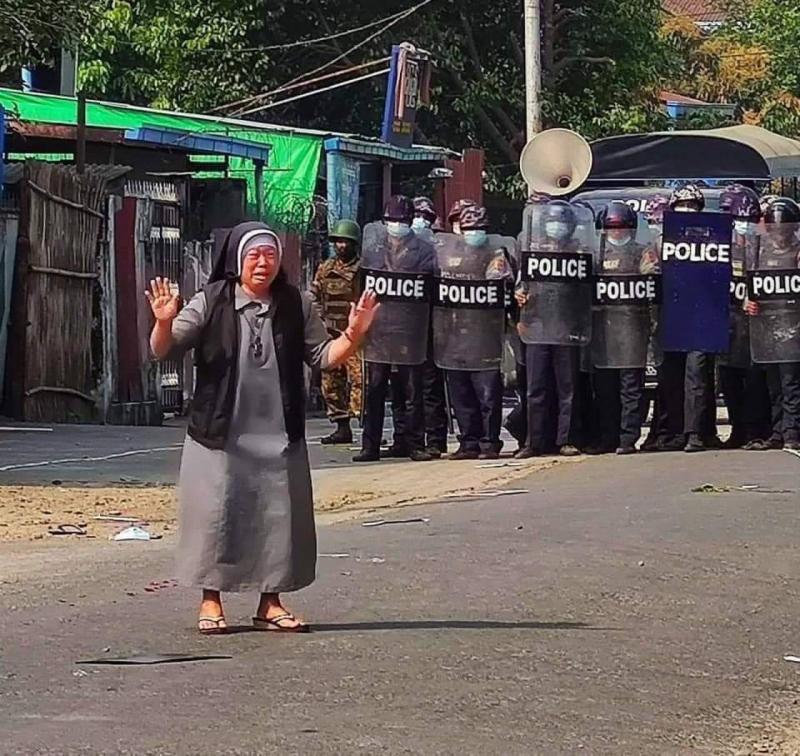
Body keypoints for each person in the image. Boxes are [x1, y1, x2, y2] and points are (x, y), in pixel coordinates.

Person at [146, 222, 378, 634]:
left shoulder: (295, 303)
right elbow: (164, 350)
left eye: (270, 254)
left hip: (278, 432)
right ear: (237, 260)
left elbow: (324, 357)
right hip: (220, 432)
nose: (263, 262)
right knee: (216, 517)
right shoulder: (212, 300)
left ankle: (270, 604)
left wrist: (355, 334)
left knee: (278, 519)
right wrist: (163, 322)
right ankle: (211, 601)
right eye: (254, 254)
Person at [354, 195, 435, 463]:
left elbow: (430, 288)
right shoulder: (374, 248)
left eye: (401, 221)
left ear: (410, 222)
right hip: (379, 331)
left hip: (410, 330)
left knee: (412, 391)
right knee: (375, 390)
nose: (396, 225)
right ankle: (370, 445)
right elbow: (361, 284)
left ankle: (413, 443)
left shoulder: (424, 250)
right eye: (392, 220)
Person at [515, 200, 589, 458]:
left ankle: (566, 439)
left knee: (567, 388)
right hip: (537, 326)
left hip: (567, 327)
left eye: (562, 223)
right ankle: (533, 442)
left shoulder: (579, 250)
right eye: (553, 223)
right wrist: (519, 296)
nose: (557, 227)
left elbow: (586, 290)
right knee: (536, 388)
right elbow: (519, 285)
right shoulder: (532, 248)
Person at [439, 205, 513, 460]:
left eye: (477, 229)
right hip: (455, 336)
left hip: (485, 337)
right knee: (461, 395)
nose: (472, 234)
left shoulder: (495, 253)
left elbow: (503, 282)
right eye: (469, 229)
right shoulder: (448, 254)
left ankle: (489, 443)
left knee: (488, 396)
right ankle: (468, 442)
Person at [656, 184, 720, 453]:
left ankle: (695, 433)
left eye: (692, 207)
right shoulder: (660, 242)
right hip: (671, 318)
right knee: (670, 377)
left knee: (697, 376)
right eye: (682, 206)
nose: (687, 211)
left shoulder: (713, 240)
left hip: (701, 318)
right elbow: (650, 274)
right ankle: (673, 432)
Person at [590, 201, 654, 455]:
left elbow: (652, 282)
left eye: (622, 227)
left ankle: (628, 438)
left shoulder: (642, 252)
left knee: (631, 388)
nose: (616, 232)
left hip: (632, 330)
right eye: (611, 227)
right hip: (603, 332)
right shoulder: (595, 255)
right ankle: (607, 437)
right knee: (605, 389)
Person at [716, 186, 772, 448]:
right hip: (727, 323)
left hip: (756, 327)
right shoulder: (718, 246)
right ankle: (738, 430)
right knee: (729, 379)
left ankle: (755, 432)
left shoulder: (763, 244)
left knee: (754, 381)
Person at [744, 197, 800, 451]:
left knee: (791, 383)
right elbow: (748, 285)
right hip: (766, 328)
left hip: (793, 325)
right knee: (774, 384)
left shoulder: (798, 250)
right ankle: (777, 432)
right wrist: (747, 301)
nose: (779, 232)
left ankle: (791, 433)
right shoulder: (759, 251)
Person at [310, 219, 363, 445]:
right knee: (331, 382)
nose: (341, 246)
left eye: (346, 242)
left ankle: (368, 429)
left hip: (356, 335)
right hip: (332, 335)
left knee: (360, 381)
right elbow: (314, 296)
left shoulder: (362, 269)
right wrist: (319, 321)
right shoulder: (326, 268)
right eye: (338, 242)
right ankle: (342, 427)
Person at [413, 195, 449, 458]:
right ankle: (409, 439)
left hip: (434, 326)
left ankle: (436, 440)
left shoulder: (442, 248)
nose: (421, 221)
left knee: (430, 386)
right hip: (407, 328)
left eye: (426, 217)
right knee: (408, 388)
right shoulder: (400, 248)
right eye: (418, 215)